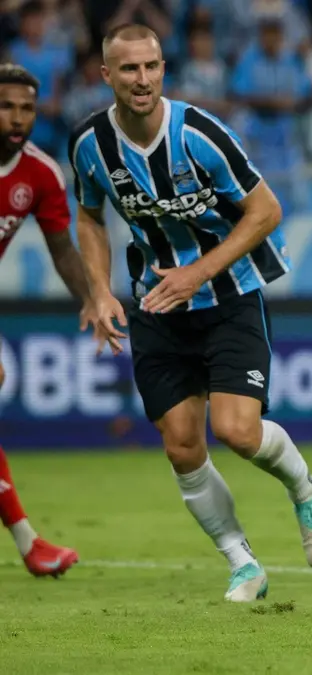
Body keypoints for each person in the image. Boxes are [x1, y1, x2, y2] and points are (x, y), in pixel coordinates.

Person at [68, 24, 312, 602]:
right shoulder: (89, 143)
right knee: (182, 445)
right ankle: (243, 563)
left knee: (236, 431)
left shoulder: (200, 133)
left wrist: (198, 271)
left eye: (152, 67)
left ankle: (303, 487)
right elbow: (88, 216)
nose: (143, 79)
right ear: (106, 74)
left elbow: (266, 211)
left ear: (163, 69)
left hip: (230, 296)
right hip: (157, 305)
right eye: (130, 69)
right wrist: (99, 289)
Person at [0, 63, 91, 578]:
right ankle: (29, 542)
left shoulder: (39, 174)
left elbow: (63, 250)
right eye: (7, 106)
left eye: (27, 109)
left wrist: (93, 300)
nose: (18, 118)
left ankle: (30, 542)